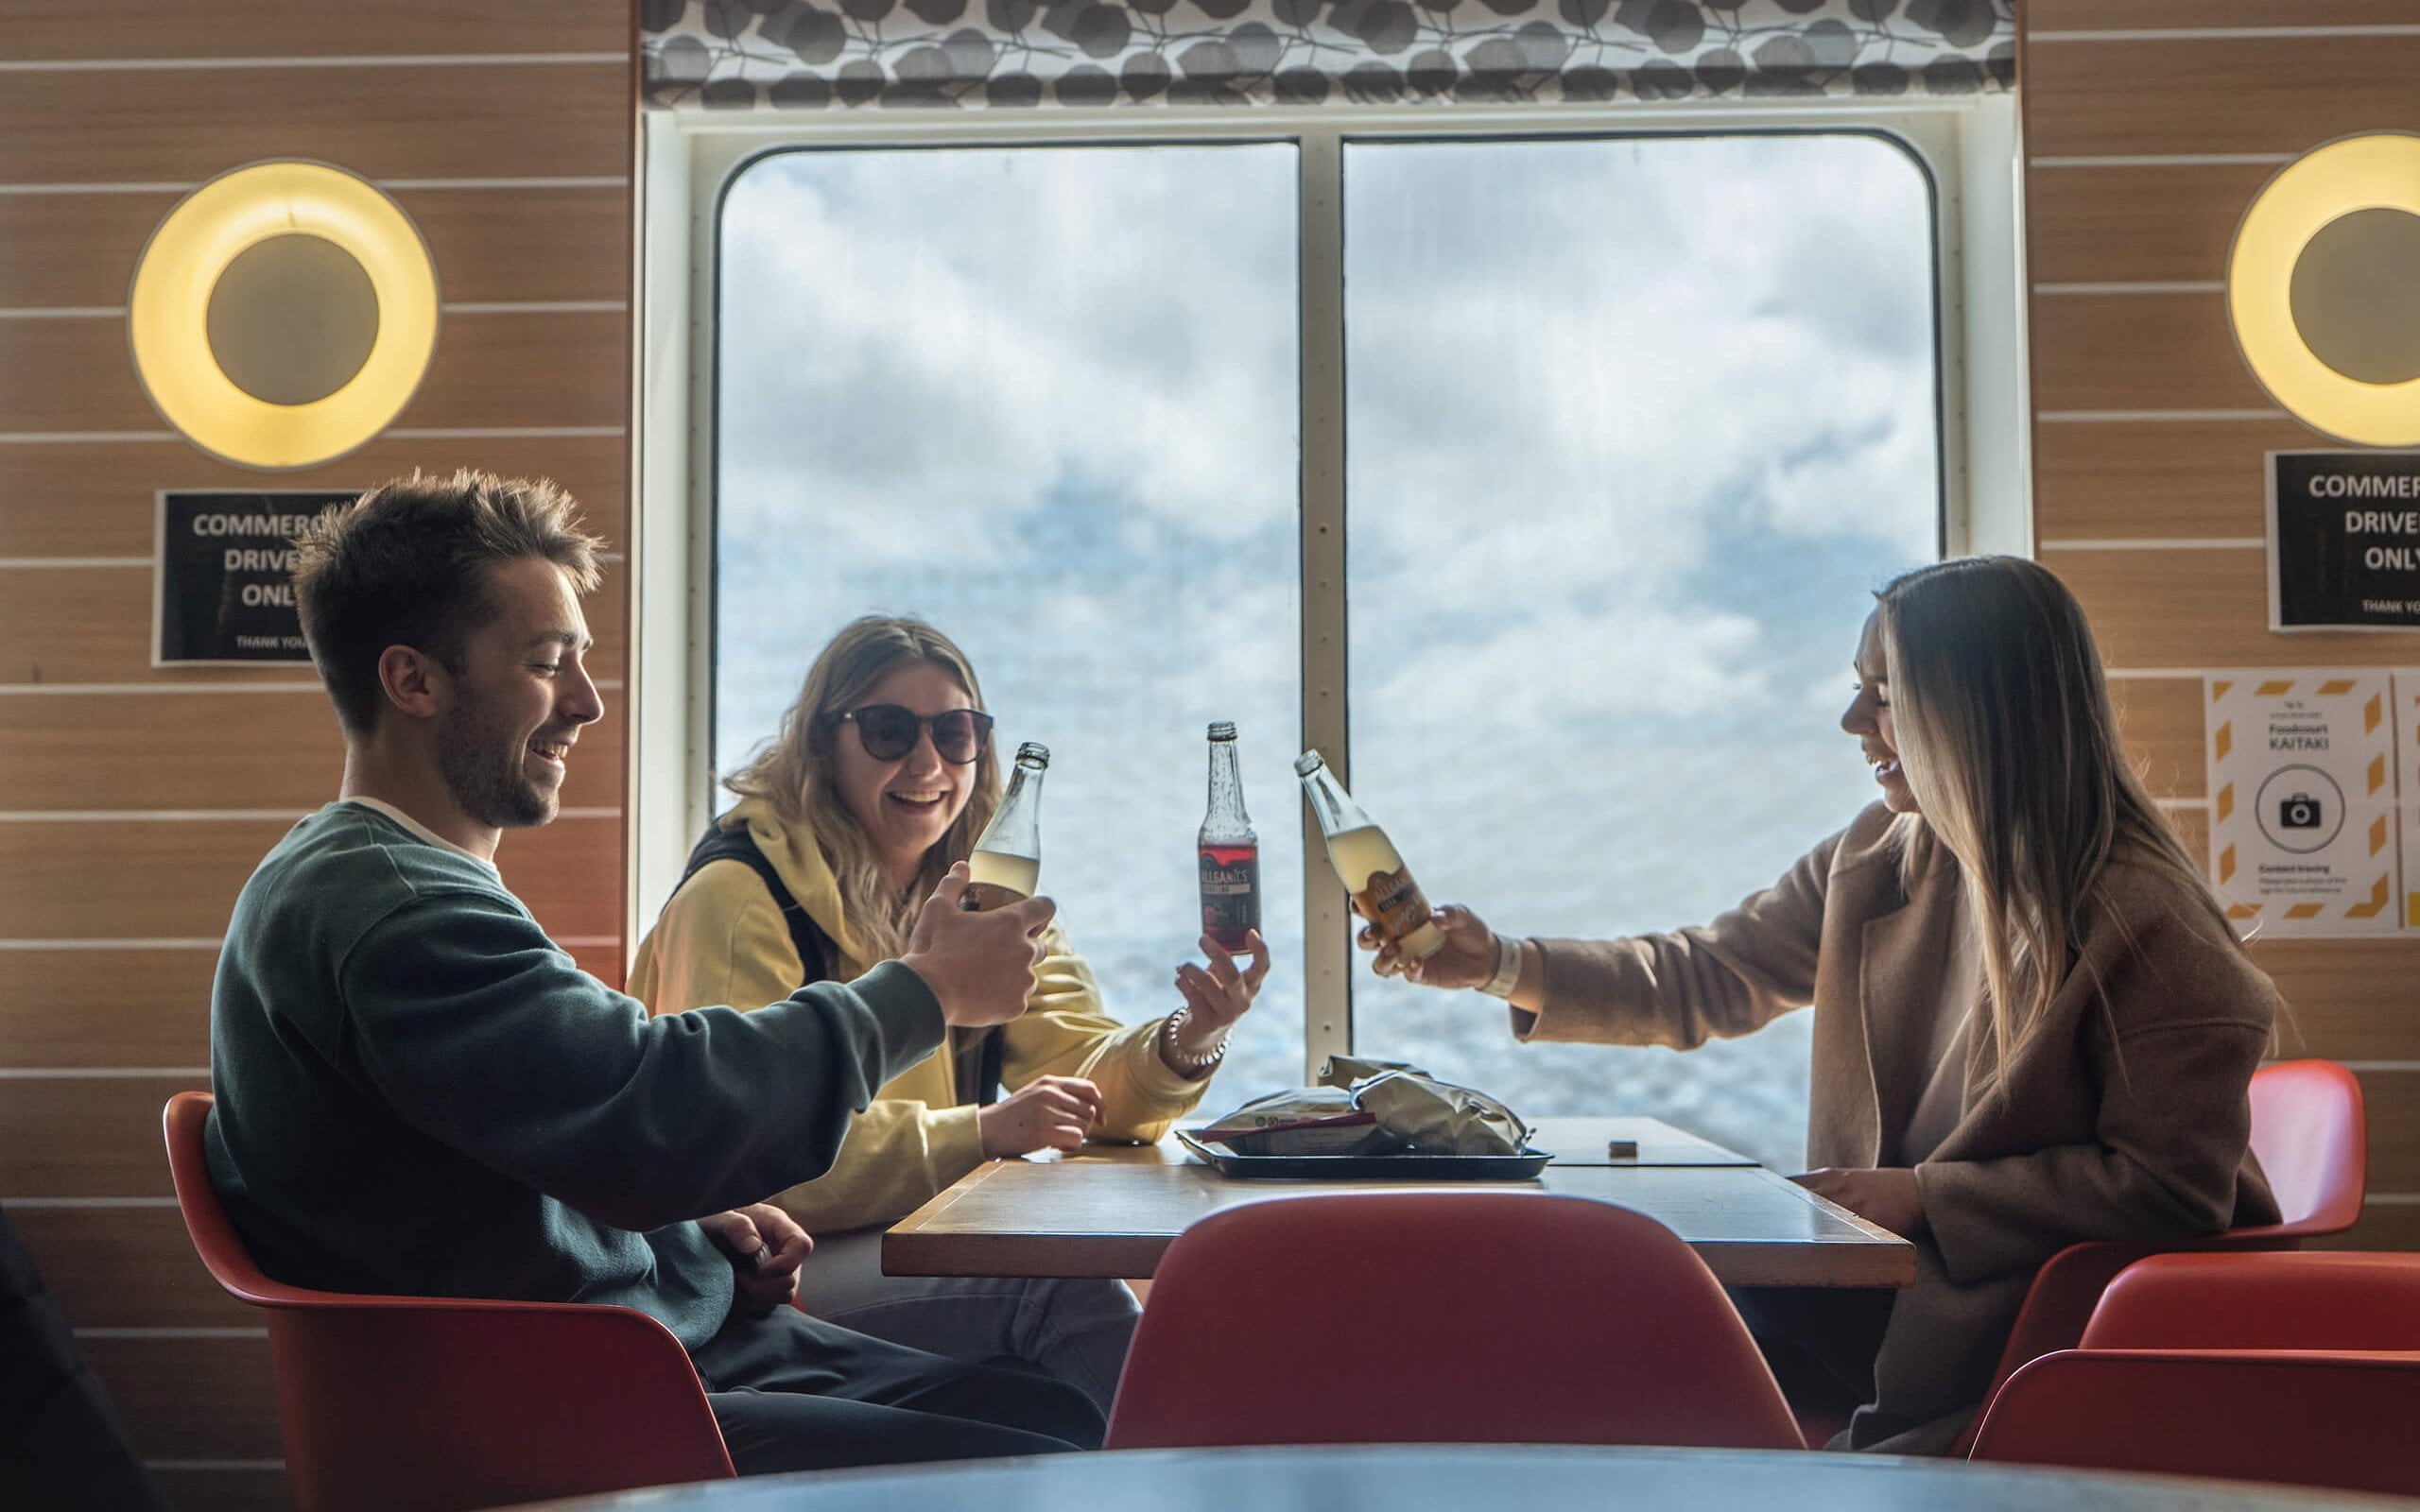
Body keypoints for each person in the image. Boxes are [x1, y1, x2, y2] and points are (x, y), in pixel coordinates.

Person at [206, 472, 1107, 1473]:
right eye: (549, 664)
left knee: (1063, 1414)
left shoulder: (389, 882)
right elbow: (653, 1106)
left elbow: (545, 1132)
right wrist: (928, 992)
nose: (588, 703)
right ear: (414, 682)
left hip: (667, 1339)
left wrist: (694, 1230)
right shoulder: (396, 909)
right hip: (573, 1394)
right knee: (1057, 1453)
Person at [1358, 556, 2280, 1454]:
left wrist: (1927, 1197)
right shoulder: (1876, 856)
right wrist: (1497, 964)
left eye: (1884, 693)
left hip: (2009, 1339)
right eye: (1859, 687)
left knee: (1612, 1349)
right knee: (1592, 1319)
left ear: (1983, 713)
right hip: (1880, 1299)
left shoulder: (2148, 923)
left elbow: (2174, 1189)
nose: (1851, 720)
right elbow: (1706, 973)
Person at [630, 615, 1269, 1413]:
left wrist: (1189, 1039)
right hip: (747, 1276)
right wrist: (983, 1132)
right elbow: (752, 1156)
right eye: (890, 730)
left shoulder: (986, 900)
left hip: (900, 1233)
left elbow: (1081, 1072)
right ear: (824, 743)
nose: (928, 762)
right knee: (1057, 1298)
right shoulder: (741, 899)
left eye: (956, 732)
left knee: (1086, 1340)